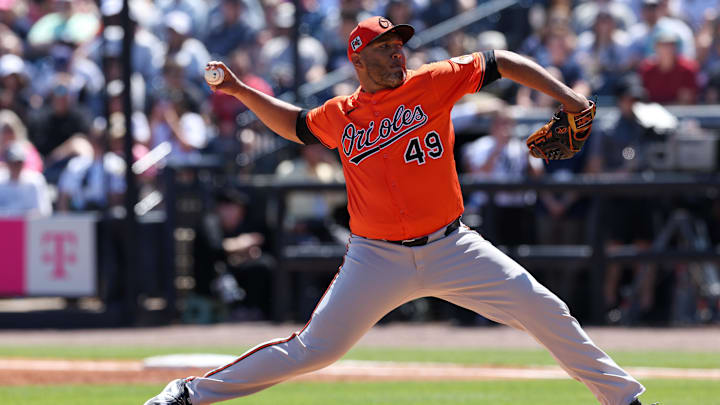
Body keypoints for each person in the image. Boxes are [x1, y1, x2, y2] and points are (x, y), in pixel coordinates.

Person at [146, 16, 649, 405]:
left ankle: (623, 398)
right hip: (375, 258)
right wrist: (238, 90)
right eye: (385, 48)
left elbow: (502, 60)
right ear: (359, 59)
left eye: (399, 45)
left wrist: (568, 97)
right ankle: (191, 394)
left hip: (454, 246)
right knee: (314, 350)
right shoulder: (340, 114)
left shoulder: (433, 82)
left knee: (546, 309)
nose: (397, 54)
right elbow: (296, 125)